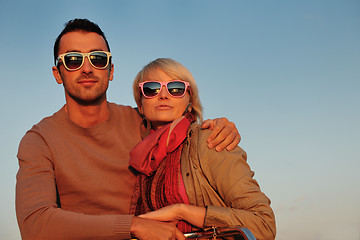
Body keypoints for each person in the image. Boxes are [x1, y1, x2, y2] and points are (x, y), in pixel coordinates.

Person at [15, 19, 241, 240]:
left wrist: (218, 127)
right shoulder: (39, 141)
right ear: (57, 73)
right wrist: (133, 226)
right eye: (73, 60)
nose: (86, 68)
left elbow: (183, 127)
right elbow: (35, 224)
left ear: (111, 70)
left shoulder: (141, 121)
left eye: (98, 59)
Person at [128, 58, 276, 240]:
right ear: (140, 104)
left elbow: (263, 224)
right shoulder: (136, 152)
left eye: (176, 88)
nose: (163, 95)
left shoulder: (210, 140)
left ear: (190, 100)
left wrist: (180, 211)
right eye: (151, 89)